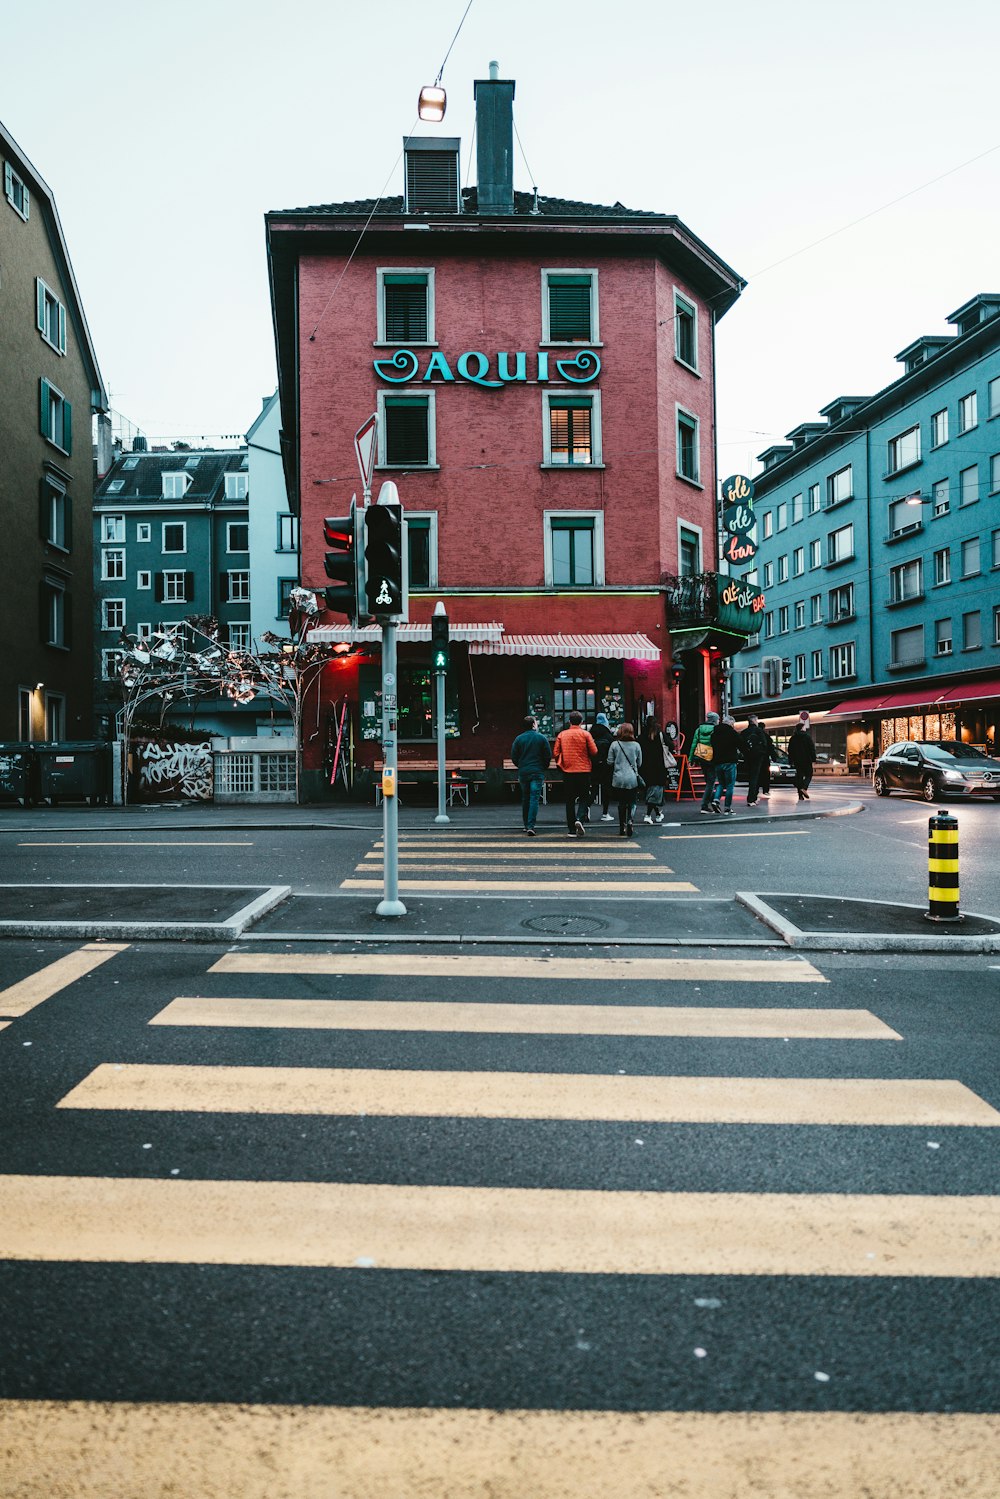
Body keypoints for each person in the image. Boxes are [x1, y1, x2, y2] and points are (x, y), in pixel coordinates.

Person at [553, 710, 598, 837]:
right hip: (584, 770)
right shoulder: (586, 734)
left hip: (568, 771)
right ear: (582, 722)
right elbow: (594, 751)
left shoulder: (562, 734)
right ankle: (580, 818)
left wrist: (562, 761)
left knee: (569, 800)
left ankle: (571, 829)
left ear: (569, 722)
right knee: (584, 797)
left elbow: (555, 753)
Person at [510, 715, 551, 836]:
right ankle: (531, 825)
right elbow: (547, 756)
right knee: (534, 798)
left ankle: (526, 824)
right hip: (537, 771)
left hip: (524, 772)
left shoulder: (518, 739)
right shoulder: (541, 738)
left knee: (525, 798)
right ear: (533, 724)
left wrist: (521, 765)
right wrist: (543, 767)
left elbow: (514, 756)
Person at [607, 721, 642, 836]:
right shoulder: (636, 745)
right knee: (632, 801)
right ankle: (630, 820)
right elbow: (640, 763)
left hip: (618, 778)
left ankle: (622, 826)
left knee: (621, 803)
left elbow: (609, 762)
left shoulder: (615, 745)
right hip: (632, 778)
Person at [639, 720, 669, 824]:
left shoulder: (642, 736)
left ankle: (658, 814)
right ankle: (647, 815)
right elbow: (671, 745)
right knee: (655, 793)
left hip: (645, 767)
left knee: (651, 791)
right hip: (659, 767)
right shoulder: (660, 735)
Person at [711, 713, 741, 815]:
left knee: (721, 783)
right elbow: (741, 743)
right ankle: (727, 808)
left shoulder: (714, 733)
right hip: (730, 761)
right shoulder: (732, 732)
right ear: (731, 723)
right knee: (730, 785)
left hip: (718, 762)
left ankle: (716, 800)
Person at [691, 710, 720, 813]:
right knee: (711, 782)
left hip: (702, 757)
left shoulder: (699, 729)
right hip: (712, 758)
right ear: (715, 720)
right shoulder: (716, 730)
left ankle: (711, 802)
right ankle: (704, 805)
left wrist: (691, 759)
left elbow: (694, 744)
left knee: (709, 781)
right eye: (718, 719)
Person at [590, 712, 615, 821]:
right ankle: (605, 813)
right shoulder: (608, 735)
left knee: (594, 788)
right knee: (606, 789)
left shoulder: (591, 734)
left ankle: (587, 808)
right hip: (606, 765)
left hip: (594, 764)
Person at [740, 714, 769, 807]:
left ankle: (753, 798)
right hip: (758, 757)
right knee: (755, 777)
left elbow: (741, 745)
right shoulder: (759, 731)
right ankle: (752, 798)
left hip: (748, 757)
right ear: (754, 721)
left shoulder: (744, 732)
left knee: (751, 777)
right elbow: (765, 743)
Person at [787, 711, 817, 801]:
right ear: (802, 728)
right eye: (804, 727)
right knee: (809, 774)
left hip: (797, 760)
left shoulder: (793, 738)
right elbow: (811, 748)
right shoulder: (806, 737)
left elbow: (790, 750)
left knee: (799, 776)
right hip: (806, 759)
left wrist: (790, 760)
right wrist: (813, 758)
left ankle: (800, 795)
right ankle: (804, 788)